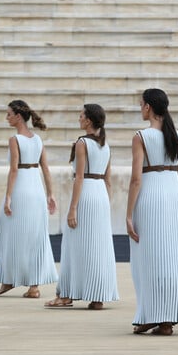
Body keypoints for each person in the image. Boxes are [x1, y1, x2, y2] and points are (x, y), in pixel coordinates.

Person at [126, 88, 178, 335]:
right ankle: (166, 317)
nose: (140, 109)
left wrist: (128, 215)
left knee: (148, 257)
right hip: (173, 197)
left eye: (141, 105)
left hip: (151, 196)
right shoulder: (176, 135)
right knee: (172, 257)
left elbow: (136, 179)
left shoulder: (142, 136)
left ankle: (153, 314)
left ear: (148, 107)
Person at [44, 104, 119, 309]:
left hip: (85, 195)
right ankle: (97, 295)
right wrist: (106, 203)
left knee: (73, 244)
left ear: (88, 121)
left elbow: (79, 178)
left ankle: (66, 294)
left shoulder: (82, 143)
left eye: (81, 116)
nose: (79, 119)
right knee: (98, 246)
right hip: (101, 196)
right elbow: (108, 179)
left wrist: (73, 208)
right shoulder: (106, 145)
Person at [0, 100, 58, 298]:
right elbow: (46, 169)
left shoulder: (15, 140)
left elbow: (14, 169)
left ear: (18, 117)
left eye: (9, 114)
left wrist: (7, 197)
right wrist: (50, 194)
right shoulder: (37, 139)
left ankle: (9, 279)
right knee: (34, 234)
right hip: (36, 188)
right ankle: (32, 286)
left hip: (22, 188)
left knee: (5, 229)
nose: (7, 118)